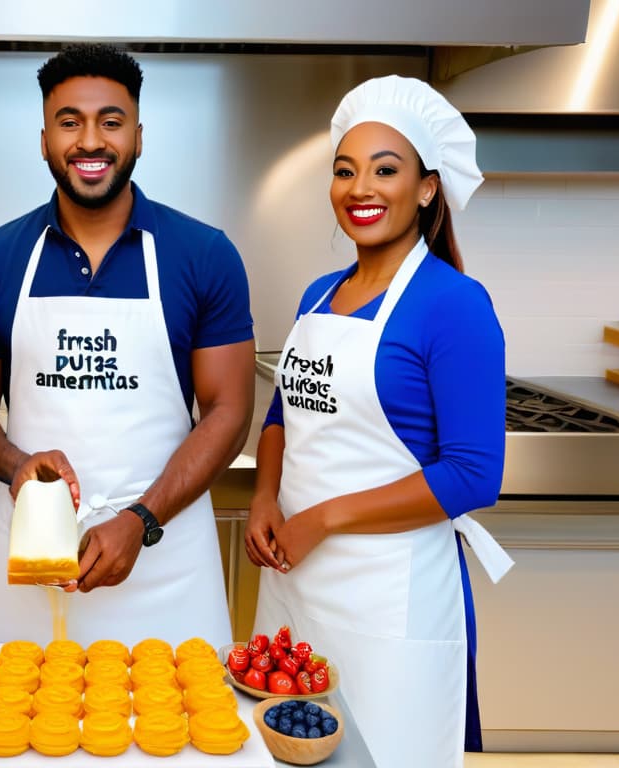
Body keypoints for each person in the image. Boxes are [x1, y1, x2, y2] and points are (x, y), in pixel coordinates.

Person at [0, 44, 255, 648]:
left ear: (138, 136)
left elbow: (230, 412)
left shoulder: (204, 255)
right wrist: (15, 465)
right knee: (23, 730)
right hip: (35, 559)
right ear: (43, 140)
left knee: (178, 733)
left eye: (110, 122)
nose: (90, 141)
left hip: (166, 558)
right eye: (70, 122)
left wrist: (141, 520)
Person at [245, 75, 514, 768]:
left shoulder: (454, 305)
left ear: (427, 188)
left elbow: (473, 476)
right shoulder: (319, 295)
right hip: (295, 585)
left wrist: (324, 518)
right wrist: (266, 497)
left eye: (384, 170)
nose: (360, 187)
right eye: (345, 170)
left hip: (389, 595)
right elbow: (282, 414)